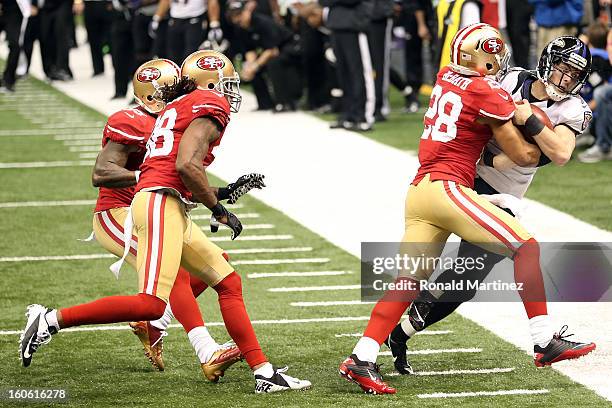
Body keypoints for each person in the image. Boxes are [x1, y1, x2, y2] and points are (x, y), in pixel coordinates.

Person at [20, 50, 311, 394]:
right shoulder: (205, 103)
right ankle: (50, 320)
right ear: (211, 84)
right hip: (154, 204)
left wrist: (219, 193)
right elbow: (185, 167)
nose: (231, 91)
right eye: (227, 83)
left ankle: (263, 372)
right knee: (152, 303)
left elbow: (175, 169)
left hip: (168, 202)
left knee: (228, 280)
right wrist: (216, 207)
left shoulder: (177, 107)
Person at [337, 24, 595, 395]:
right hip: (454, 187)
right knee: (526, 247)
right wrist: (523, 121)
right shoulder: (491, 88)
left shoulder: (446, 76)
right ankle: (544, 341)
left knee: (428, 279)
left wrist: (521, 124)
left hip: (422, 189)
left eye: (574, 75)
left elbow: (557, 152)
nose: (565, 79)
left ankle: (364, 355)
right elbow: (525, 154)